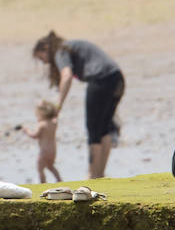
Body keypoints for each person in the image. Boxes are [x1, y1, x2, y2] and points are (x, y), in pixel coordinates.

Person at [32, 31, 125, 179]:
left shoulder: (61, 51)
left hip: (100, 80)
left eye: (41, 57)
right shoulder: (71, 46)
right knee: (104, 129)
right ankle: (99, 174)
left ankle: (92, 174)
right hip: (117, 78)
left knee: (94, 130)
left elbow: (67, 75)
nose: (44, 62)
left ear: (46, 47)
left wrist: (58, 106)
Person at [21, 99, 62, 184]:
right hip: (53, 151)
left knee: (40, 168)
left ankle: (43, 183)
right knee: (51, 166)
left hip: (44, 152)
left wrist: (27, 131)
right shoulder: (54, 123)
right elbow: (56, 116)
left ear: (41, 114)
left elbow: (35, 135)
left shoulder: (42, 125)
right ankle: (59, 180)